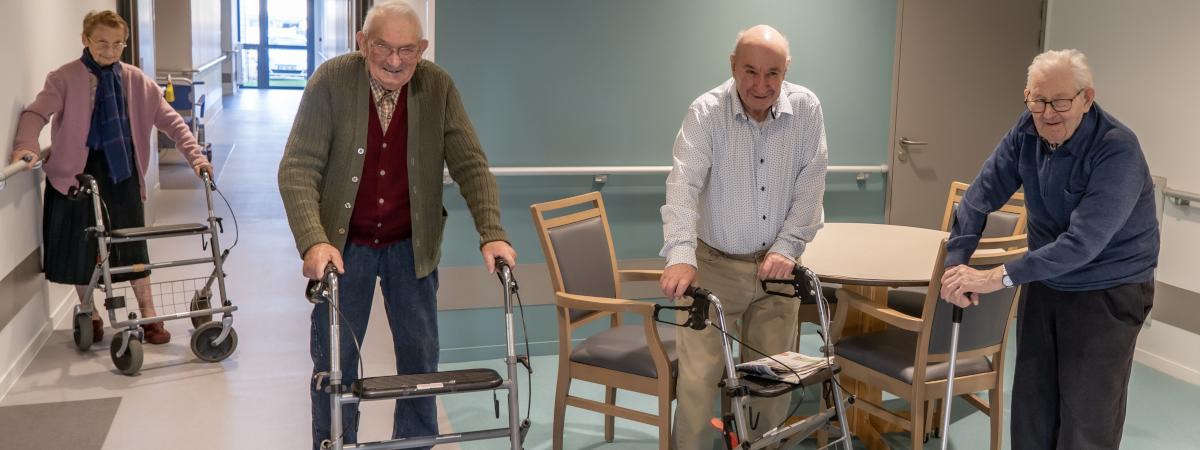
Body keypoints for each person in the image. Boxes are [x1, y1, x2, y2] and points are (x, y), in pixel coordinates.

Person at [276, 1, 516, 448]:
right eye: (383, 47)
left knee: (421, 361)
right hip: (344, 251)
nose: (394, 61)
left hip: (412, 245)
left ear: (422, 49)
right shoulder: (332, 80)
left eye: (407, 50)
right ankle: (334, 444)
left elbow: (471, 165)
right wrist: (313, 241)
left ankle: (413, 444)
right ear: (362, 43)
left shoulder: (437, 86)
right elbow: (297, 168)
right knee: (336, 363)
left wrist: (493, 232)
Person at [940, 49, 1158, 449]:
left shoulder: (1117, 148)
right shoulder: (1027, 129)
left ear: (1086, 98)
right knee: (1032, 406)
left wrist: (996, 276)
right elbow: (979, 195)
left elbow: (1082, 244)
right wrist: (958, 262)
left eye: (1060, 101)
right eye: (1037, 101)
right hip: (1046, 281)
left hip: (1107, 290)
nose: (1048, 113)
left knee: (1086, 418)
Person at [659, 25, 828, 448]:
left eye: (773, 73)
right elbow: (683, 185)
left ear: (786, 71)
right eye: (750, 71)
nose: (761, 85)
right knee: (699, 383)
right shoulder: (706, 112)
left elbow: (812, 184)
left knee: (771, 380)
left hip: (777, 268)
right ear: (733, 66)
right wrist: (681, 253)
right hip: (713, 264)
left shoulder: (806, 109)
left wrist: (789, 246)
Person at [10, 10, 212, 346]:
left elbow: (173, 122)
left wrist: (196, 158)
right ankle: (89, 312)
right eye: (103, 42)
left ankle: (149, 316)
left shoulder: (136, 81)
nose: (110, 50)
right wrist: (26, 147)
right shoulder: (64, 78)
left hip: (122, 173)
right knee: (82, 246)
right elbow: (35, 114)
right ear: (85, 40)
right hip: (77, 176)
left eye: (118, 44)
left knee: (132, 245)